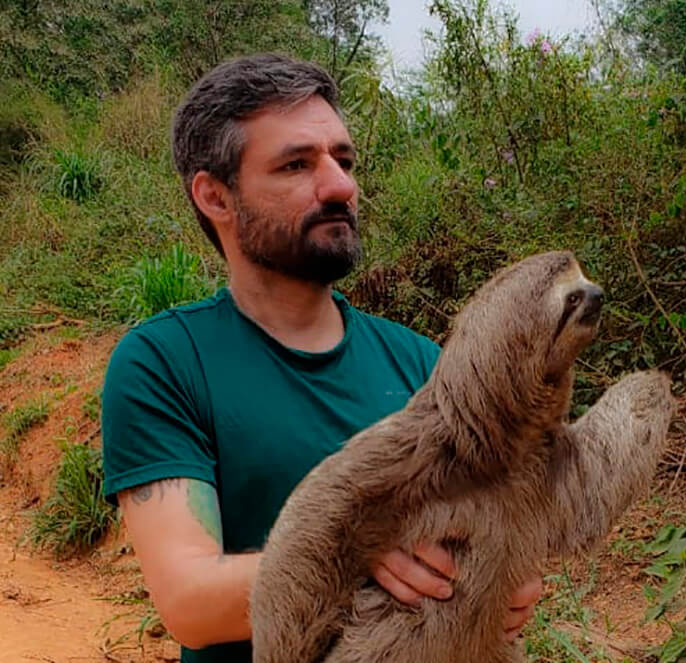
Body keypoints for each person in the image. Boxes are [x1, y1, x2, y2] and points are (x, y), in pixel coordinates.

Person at [101, 54, 543, 663]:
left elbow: (492, 539)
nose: (340, 186)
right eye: (296, 164)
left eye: (344, 159)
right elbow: (191, 603)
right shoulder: (164, 363)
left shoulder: (422, 363)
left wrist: (501, 579)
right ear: (215, 197)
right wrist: (361, 550)